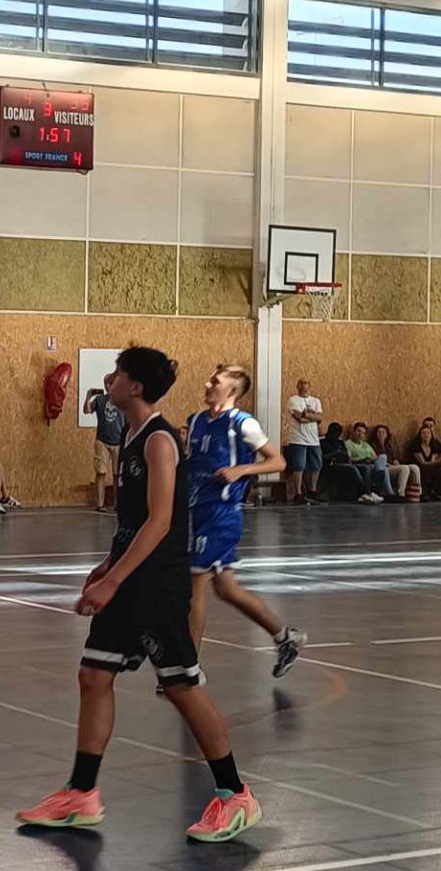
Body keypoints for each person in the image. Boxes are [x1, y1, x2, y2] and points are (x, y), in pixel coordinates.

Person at [16, 346, 260, 843]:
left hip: (157, 586)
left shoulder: (159, 441)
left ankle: (236, 795)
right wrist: (107, 566)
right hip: (130, 578)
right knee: (93, 675)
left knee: (181, 686)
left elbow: (160, 521)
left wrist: (113, 580)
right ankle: (82, 793)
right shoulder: (129, 436)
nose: (110, 378)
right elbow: (131, 523)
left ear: (136, 387)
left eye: (118, 373)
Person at [184, 364, 306, 677]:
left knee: (194, 584)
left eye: (215, 381)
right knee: (226, 588)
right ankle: (285, 637)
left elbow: (278, 461)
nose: (208, 384)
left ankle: (187, 668)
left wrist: (242, 470)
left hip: (221, 514)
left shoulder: (242, 423)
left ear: (232, 390)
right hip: (196, 511)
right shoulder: (195, 421)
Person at [84, 378, 124, 514]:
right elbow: (87, 410)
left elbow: (128, 420)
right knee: (101, 472)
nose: (109, 386)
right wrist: (88, 397)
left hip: (118, 441)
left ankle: (117, 503)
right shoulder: (100, 400)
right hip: (102, 441)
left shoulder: (122, 401)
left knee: (117, 474)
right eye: (108, 384)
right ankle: (100, 504)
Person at [285, 379, 323, 504]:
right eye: (301, 383)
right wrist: (313, 417)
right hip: (298, 438)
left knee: (316, 465)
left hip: (313, 439)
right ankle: (298, 493)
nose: (303, 385)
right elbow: (299, 418)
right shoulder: (293, 400)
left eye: (305, 383)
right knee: (299, 466)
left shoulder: (316, 401)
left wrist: (306, 414)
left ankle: (312, 491)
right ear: (297, 386)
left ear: (309, 386)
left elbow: (320, 417)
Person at [370, 424, 421, 501]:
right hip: (385, 467)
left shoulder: (389, 445)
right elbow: (377, 460)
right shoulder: (372, 445)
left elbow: (394, 457)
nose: (381, 434)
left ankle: (417, 493)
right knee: (404, 468)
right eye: (379, 432)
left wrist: (395, 460)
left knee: (415, 467)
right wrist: (390, 464)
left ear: (387, 435)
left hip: (393, 466)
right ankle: (400, 493)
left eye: (383, 432)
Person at [407, 418, 441, 499]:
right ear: (420, 435)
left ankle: (436, 490)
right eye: (423, 433)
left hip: (429, 466)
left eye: (428, 433)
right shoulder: (416, 445)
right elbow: (423, 463)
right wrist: (438, 462)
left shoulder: (434, 445)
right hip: (418, 466)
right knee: (429, 469)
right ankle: (425, 493)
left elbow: (433, 460)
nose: (426, 435)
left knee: (439, 469)